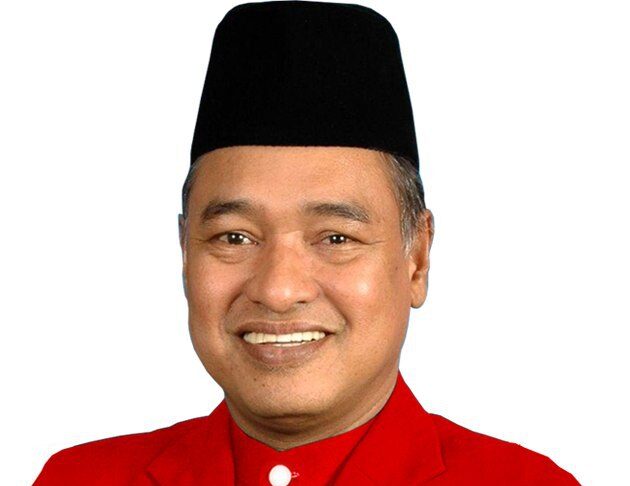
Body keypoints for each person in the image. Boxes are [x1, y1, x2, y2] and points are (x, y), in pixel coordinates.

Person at [34, 2, 579, 484]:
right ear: (184, 254)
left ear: (416, 259)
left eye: (336, 237)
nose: (278, 290)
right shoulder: (79, 480)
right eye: (235, 237)